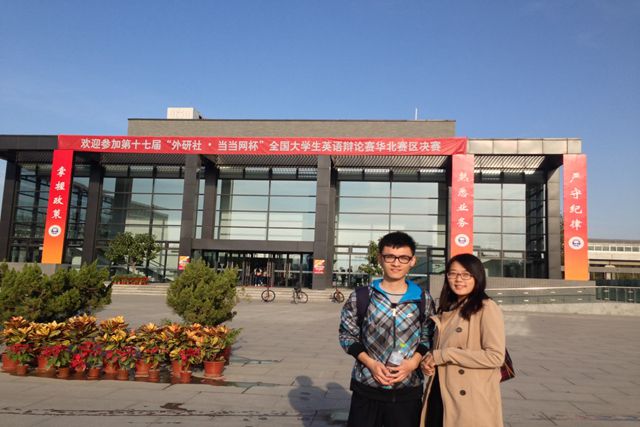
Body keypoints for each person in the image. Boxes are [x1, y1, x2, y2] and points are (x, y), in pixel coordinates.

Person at [339, 231, 435, 427]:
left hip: (408, 389)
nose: (396, 263)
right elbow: (347, 336)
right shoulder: (362, 296)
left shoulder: (422, 298)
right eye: (390, 256)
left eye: (403, 258)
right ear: (380, 259)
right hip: (367, 387)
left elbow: (427, 336)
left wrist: (413, 363)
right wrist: (371, 364)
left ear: (412, 261)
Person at [420, 253, 505, 427]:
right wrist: (429, 360)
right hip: (440, 391)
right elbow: (440, 350)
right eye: (453, 273)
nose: (458, 279)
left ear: (477, 277)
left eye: (466, 274)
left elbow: (495, 356)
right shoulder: (448, 308)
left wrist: (444, 355)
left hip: (469, 400)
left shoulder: (486, 307)